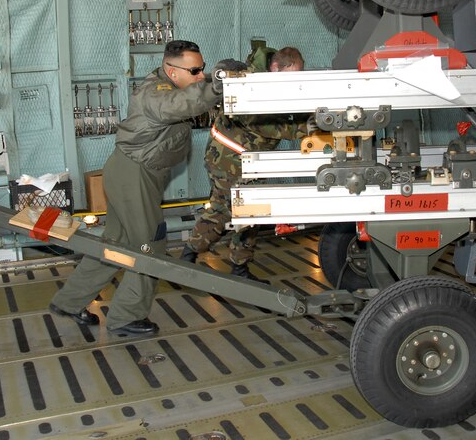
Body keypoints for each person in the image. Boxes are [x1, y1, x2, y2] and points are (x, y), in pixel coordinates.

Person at [49, 40, 222, 337]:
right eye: (195, 70)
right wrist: (217, 88)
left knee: (116, 243)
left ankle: (69, 301)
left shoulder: (171, 87)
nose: (200, 76)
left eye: (203, 70)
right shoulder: (156, 92)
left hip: (133, 172)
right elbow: (182, 105)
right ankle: (126, 317)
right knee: (149, 246)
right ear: (171, 69)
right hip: (134, 175)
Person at [181, 45, 308, 280]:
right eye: (287, 77)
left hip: (251, 161)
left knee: (251, 212)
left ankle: (238, 266)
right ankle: (189, 256)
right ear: (274, 67)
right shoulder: (248, 82)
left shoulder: (274, 82)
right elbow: (262, 123)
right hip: (228, 160)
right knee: (226, 210)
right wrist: (310, 126)